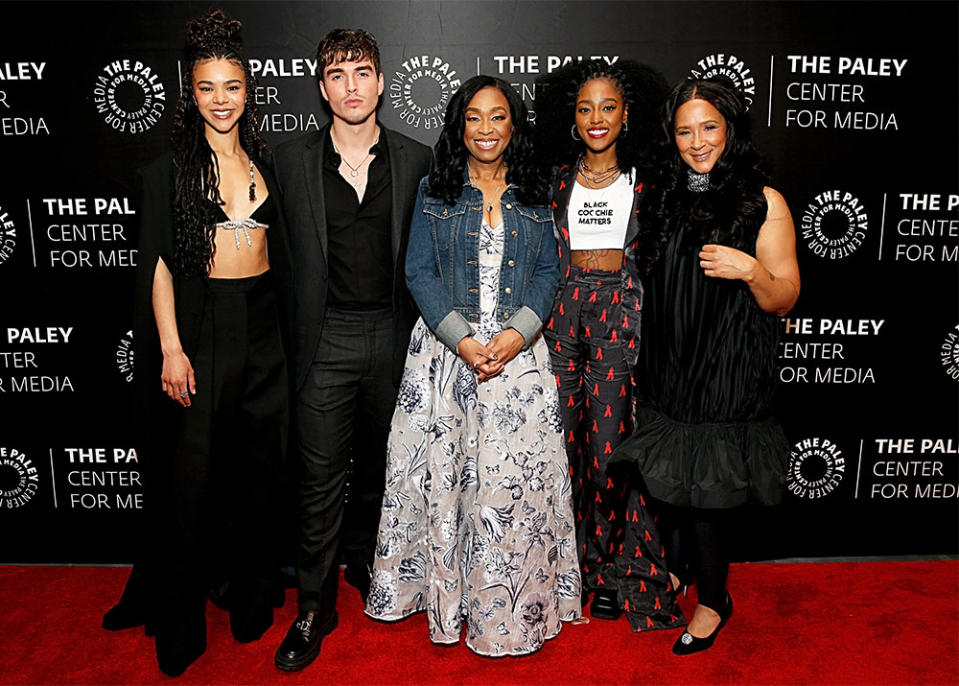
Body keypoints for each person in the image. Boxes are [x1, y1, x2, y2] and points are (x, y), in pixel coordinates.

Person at [101, 8, 291, 677]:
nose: (220, 99)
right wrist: (172, 347)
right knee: (190, 489)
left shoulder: (266, 162)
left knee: (260, 482)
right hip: (203, 333)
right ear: (191, 92)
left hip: (266, 330)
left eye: (231, 86)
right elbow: (156, 265)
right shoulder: (166, 172)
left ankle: (251, 604)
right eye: (207, 87)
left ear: (248, 91)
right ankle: (179, 632)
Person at [365, 75, 581, 656]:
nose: (486, 130)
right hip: (446, 356)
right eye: (474, 118)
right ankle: (439, 598)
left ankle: (510, 609)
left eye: (498, 117)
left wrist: (515, 336)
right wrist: (463, 340)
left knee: (509, 489)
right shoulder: (437, 190)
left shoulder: (537, 192)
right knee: (445, 482)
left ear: (515, 125)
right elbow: (418, 273)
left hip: (518, 360)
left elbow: (547, 274)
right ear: (460, 126)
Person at [613, 76, 800, 654]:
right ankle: (680, 568)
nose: (697, 142)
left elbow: (786, 296)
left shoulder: (762, 201)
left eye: (709, 127)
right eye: (685, 130)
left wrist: (750, 270)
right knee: (672, 479)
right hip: (671, 357)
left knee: (710, 487)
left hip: (726, 361)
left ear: (731, 129)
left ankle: (715, 599)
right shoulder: (664, 194)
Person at [271, 29, 432, 672]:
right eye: (337, 75)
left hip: (396, 336)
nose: (351, 87)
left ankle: (366, 564)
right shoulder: (290, 161)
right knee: (318, 480)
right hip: (324, 338)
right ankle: (314, 605)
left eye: (362, 73)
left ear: (382, 81)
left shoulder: (416, 159)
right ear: (321, 87)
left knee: (379, 470)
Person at [533, 60, 683, 631]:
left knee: (607, 452)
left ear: (626, 116)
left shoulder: (647, 183)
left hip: (619, 318)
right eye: (585, 108)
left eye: (608, 108)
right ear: (571, 119)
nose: (597, 119)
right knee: (558, 450)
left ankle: (606, 569)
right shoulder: (554, 181)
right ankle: (561, 568)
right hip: (561, 318)